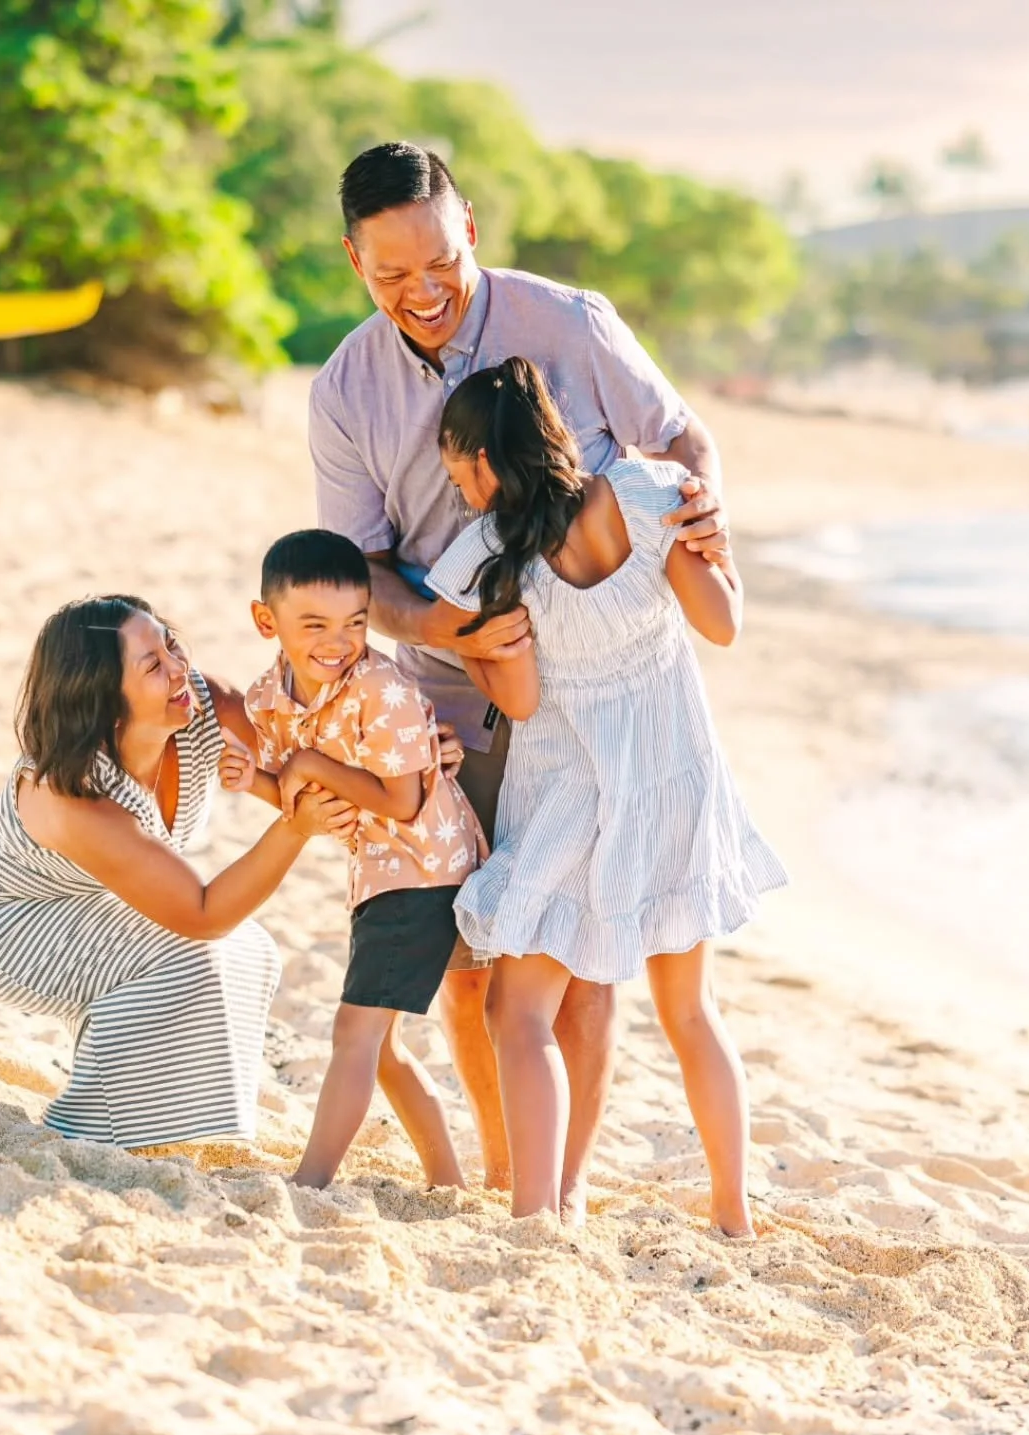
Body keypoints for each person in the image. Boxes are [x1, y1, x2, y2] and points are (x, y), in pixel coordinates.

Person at [310, 140, 731, 1202]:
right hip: (453, 704)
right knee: (471, 964)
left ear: (471, 235)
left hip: (598, 714)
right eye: (393, 273)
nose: (424, 292)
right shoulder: (344, 389)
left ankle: (563, 1194)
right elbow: (362, 566)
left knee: (578, 971)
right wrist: (458, 638)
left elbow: (682, 437)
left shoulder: (572, 323)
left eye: (440, 263)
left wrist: (708, 516)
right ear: (354, 261)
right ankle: (510, 1177)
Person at [425, 358, 787, 1234]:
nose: (460, 494)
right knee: (691, 1013)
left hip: (566, 801)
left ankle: (537, 1209)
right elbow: (723, 625)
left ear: (485, 458)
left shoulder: (489, 553)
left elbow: (515, 702)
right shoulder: (649, 492)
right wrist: (712, 543)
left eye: (458, 473)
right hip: (672, 782)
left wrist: (481, 649)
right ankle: (732, 1215)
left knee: (520, 1014)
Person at [0, 594, 359, 1149]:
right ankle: (85, 1125)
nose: (179, 669)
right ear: (106, 700)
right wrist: (295, 829)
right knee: (197, 953)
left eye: (171, 644)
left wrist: (417, 749)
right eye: (153, 666)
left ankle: (174, 1116)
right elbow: (201, 916)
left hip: (88, 893)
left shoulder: (204, 705)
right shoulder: (71, 795)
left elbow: (320, 758)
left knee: (249, 949)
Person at [221, 530, 486, 1189]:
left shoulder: (381, 688)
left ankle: (309, 1182)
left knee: (355, 1032)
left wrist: (310, 762)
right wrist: (248, 777)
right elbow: (295, 796)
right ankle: (447, 1180)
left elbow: (400, 803)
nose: (337, 643)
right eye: (314, 625)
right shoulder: (268, 700)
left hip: (424, 869)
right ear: (266, 621)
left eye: (356, 623)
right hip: (377, 872)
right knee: (384, 1049)